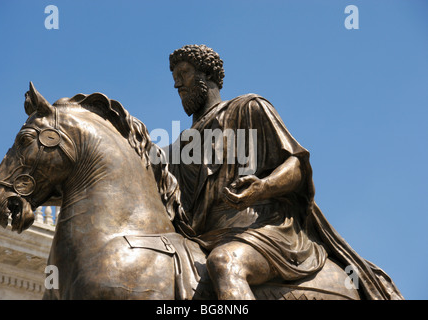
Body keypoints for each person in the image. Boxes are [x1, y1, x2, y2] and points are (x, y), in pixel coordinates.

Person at [166, 44, 403, 300]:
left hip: (262, 228)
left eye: (184, 73)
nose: (177, 84)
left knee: (225, 264)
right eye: (175, 78)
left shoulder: (248, 107)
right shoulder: (177, 149)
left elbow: (297, 166)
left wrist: (263, 187)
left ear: (207, 74)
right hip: (203, 237)